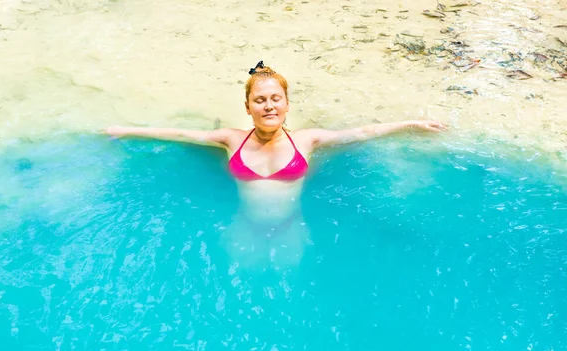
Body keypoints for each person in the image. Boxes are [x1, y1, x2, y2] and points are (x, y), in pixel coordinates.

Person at [103, 61, 446, 268]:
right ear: (248, 106)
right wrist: (127, 131)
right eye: (260, 100)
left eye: (275, 99)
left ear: (286, 104)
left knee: (287, 291)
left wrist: (410, 125)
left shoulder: (306, 140)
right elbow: (179, 133)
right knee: (242, 292)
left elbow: (360, 131)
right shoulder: (231, 139)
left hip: (291, 228)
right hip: (243, 226)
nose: (268, 106)